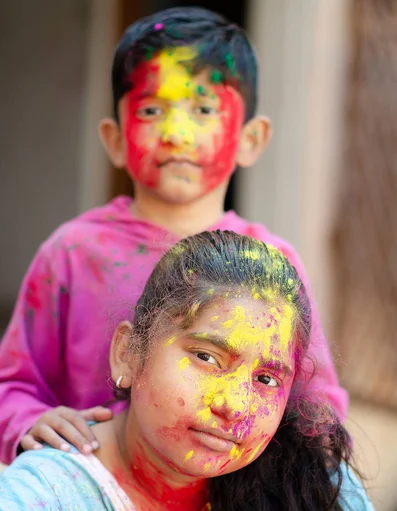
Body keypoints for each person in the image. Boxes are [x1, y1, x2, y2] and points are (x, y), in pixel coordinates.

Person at [0, 6, 348, 465]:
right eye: (151, 109)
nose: (177, 133)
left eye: (204, 109)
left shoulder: (272, 266)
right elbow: (14, 384)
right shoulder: (72, 252)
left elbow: (315, 405)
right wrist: (27, 422)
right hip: (89, 491)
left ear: (251, 138)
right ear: (115, 140)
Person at [0, 232, 392, 511]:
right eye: (206, 357)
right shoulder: (46, 493)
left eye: (267, 378)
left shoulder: (311, 490)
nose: (234, 406)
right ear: (128, 353)